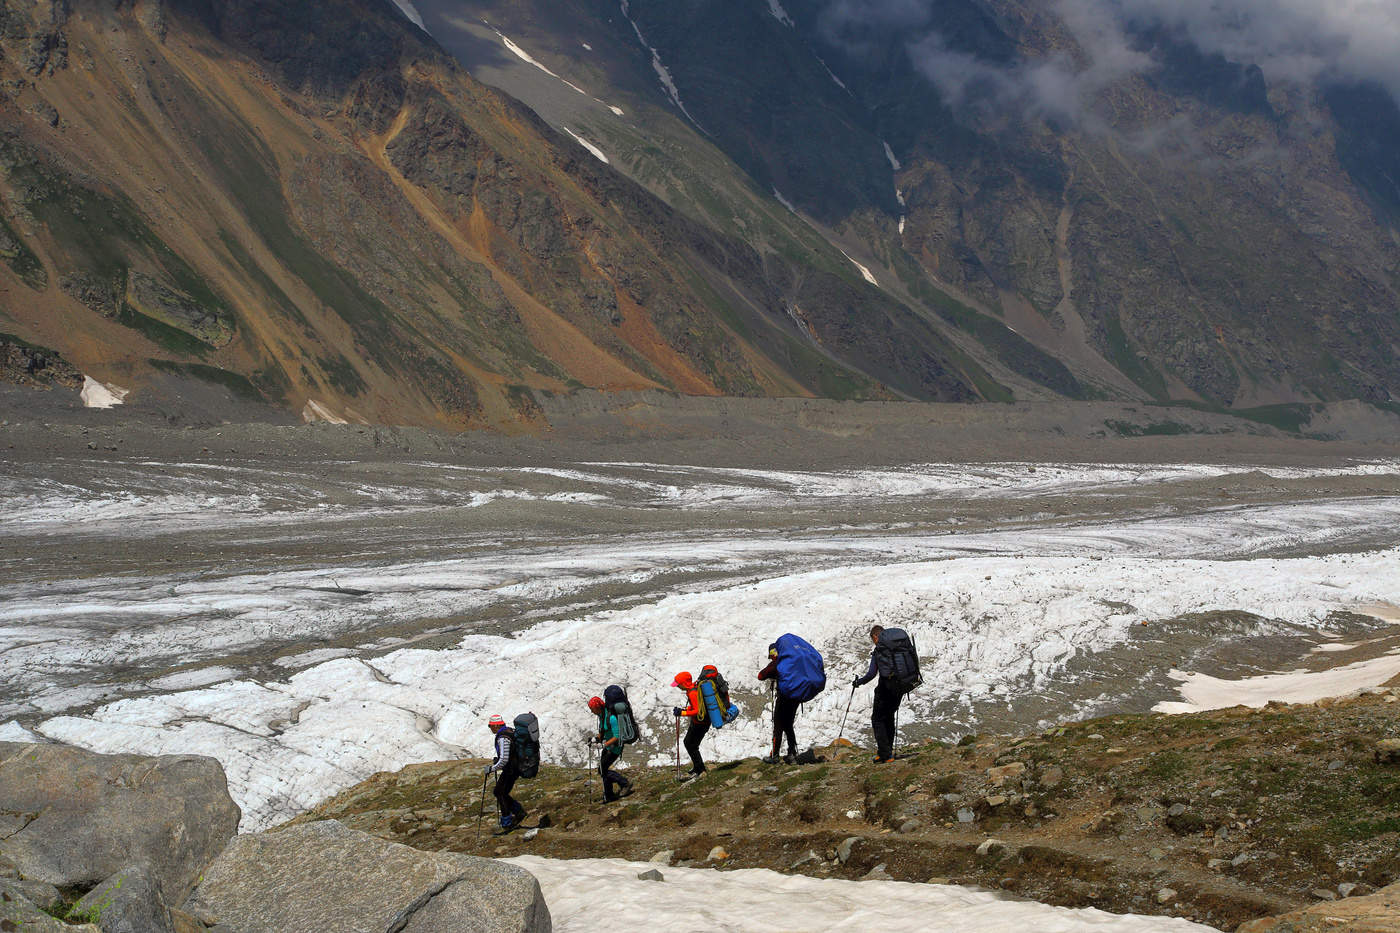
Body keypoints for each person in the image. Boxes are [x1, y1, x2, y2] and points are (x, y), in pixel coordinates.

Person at [853, 625, 900, 763]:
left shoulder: (880, 650)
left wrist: (859, 682)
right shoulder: (896, 648)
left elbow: (871, 674)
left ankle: (885, 754)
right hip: (899, 689)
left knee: (878, 719)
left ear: (875, 636)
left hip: (885, 689)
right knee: (889, 718)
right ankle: (886, 751)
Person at [485, 713, 527, 829]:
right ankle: (517, 812)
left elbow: (504, 760)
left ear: (495, 725)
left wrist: (491, 769)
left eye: (490, 726)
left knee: (500, 793)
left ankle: (508, 821)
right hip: (515, 768)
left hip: (511, 769)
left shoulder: (503, 738)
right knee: (500, 792)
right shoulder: (509, 731)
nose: (490, 728)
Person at [758, 643, 798, 764]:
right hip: (795, 698)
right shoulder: (792, 661)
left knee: (778, 726)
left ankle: (775, 755)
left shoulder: (777, 663)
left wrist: (773, 672)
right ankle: (792, 754)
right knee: (788, 725)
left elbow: (761, 675)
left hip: (784, 698)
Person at [589, 695, 633, 802]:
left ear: (597, 707)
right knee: (602, 769)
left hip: (615, 747)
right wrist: (596, 739)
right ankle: (609, 795)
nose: (591, 711)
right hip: (609, 746)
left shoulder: (611, 718)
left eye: (592, 709)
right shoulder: (602, 716)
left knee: (602, 770)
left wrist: (604, 744)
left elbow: (617, 736)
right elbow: (603, 731)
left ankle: (624, 783)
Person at [671, 671, 708, 777]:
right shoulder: (692, 689)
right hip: (699, 722)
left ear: (684, 683)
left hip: (700, 723)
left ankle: (700, 770)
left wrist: (682, 713)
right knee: (689, 743)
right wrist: (684, 709)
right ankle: (697, 767)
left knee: (691, 745)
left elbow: (697, 710)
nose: (677, 686)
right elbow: (696, 706)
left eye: (678, 684)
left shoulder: (692, 693)